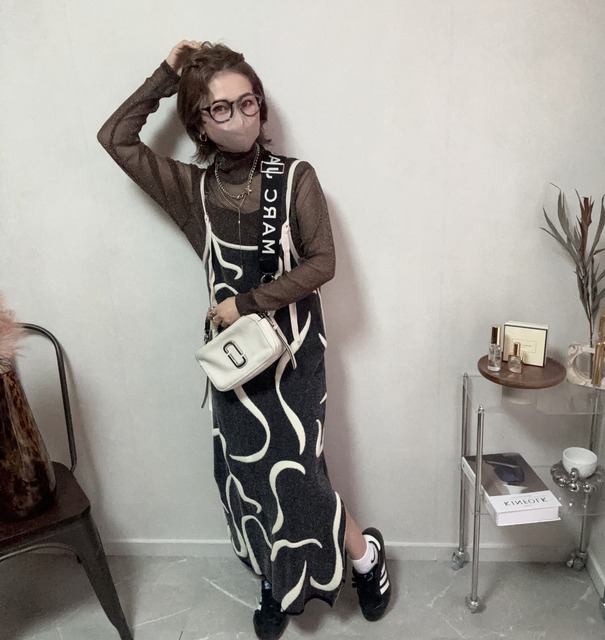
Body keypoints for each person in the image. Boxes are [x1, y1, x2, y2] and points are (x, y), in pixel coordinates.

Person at [98, 40, 391, 639]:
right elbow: (117, 138)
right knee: (250, 478)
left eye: (248, 102)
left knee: (302, 475)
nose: (240, 117)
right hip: (233, 364)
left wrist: (247, 303)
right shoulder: (192, 191)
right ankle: (274, 579)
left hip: (295, 358)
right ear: (199, 123)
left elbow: (323, 263)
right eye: (221, 108)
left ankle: (366, 558)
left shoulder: (295, 178)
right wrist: (167, 74)